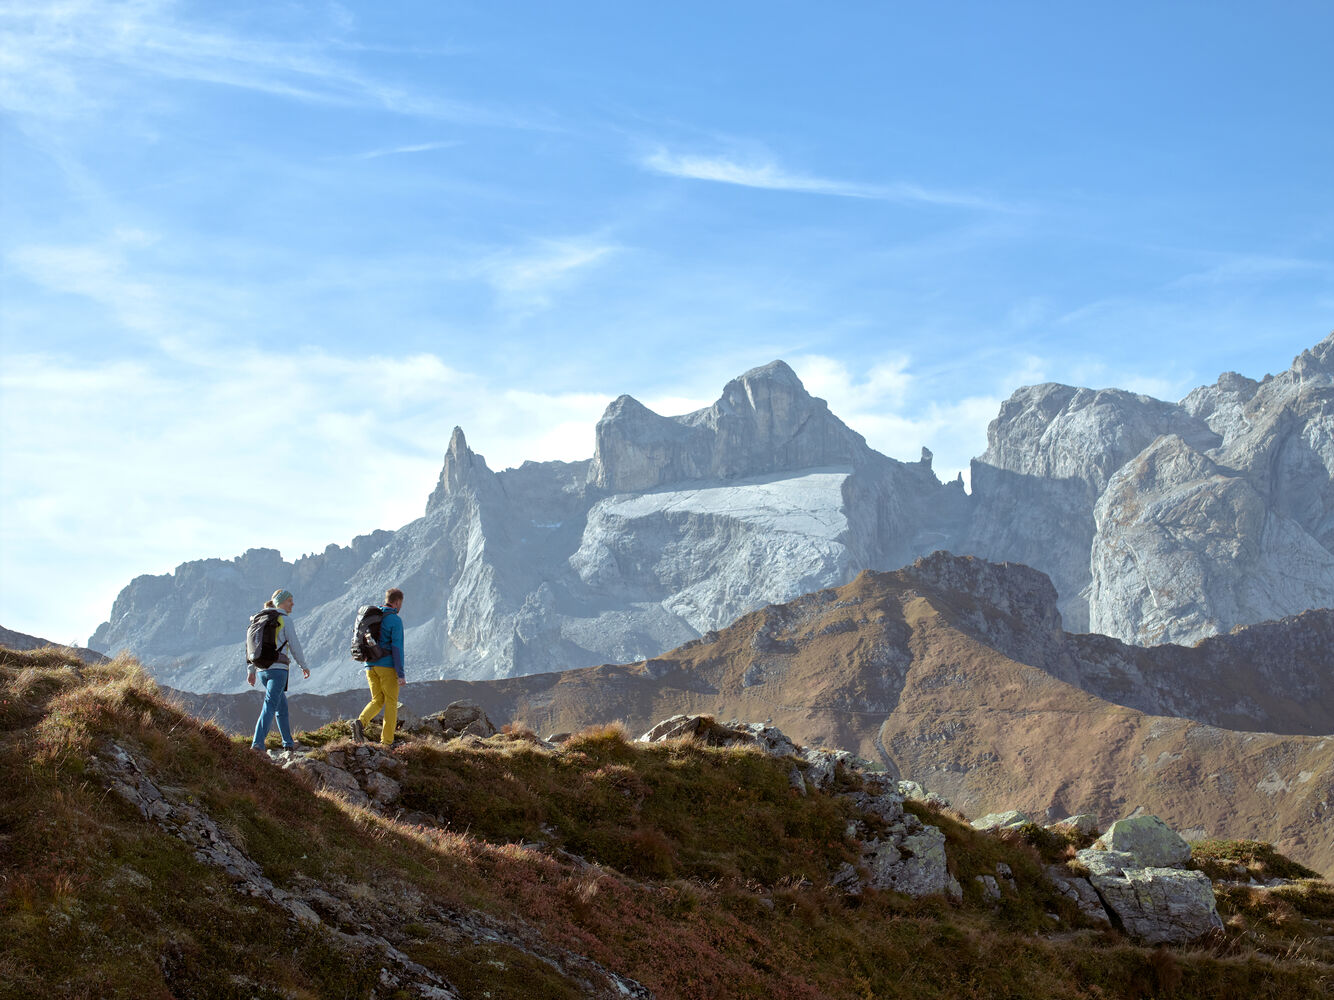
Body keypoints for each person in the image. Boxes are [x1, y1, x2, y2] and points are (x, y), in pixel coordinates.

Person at [247, 589, 311, 754]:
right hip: (278, 670)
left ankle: (288, 743)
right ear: (281, 602)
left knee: (281, 707)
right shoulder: (284, 619)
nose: (292, 603)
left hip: (262, 670)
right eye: (290, 600)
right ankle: (258, 744)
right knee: (269, 706)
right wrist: (303, 665)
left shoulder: (259, 619)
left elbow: (250, 646)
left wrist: (251, 670)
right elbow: (294, 645)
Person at [351, 587, 405, 748]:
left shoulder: (375, 616)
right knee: (390, 702)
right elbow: (397, 647)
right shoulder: (395, 620)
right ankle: (387, 741)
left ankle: (360, 723)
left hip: (369, 665)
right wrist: (400, 673)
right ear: (397, 602)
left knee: (377, 699)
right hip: (387, 666)